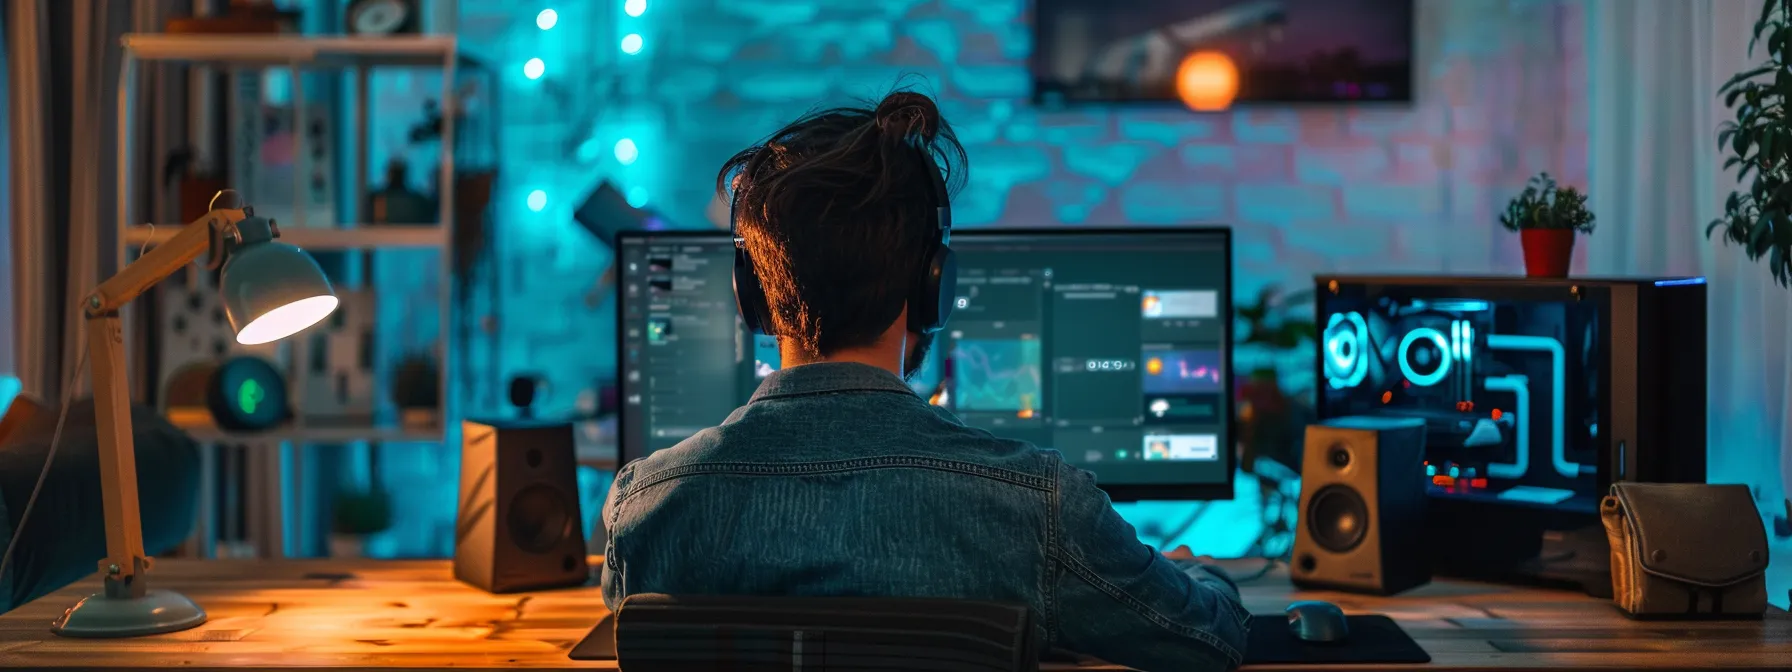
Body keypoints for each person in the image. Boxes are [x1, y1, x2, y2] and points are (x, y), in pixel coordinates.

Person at [599, 90, 1250, 671]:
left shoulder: (647, 509)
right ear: (934, 288)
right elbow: (1203, 641)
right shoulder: (1038, 507)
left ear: (751, 297)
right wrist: (1195, 573)